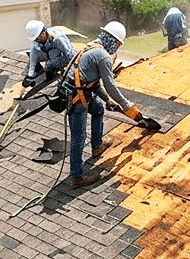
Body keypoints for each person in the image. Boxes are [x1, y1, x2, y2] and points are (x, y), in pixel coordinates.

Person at [60, 21, 148, 187]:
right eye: (119, 44)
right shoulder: (104, 57)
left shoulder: (92, 47)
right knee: (79, 137)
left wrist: (107, 100)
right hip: (75, 97)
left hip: (81, 90)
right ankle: (76, 177)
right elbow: (110, 86)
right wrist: (126, 105)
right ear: (114, 41)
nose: (118, 48)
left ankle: (97, 146)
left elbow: (91, 82)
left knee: (98, 108)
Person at [23, 20, 74, 87]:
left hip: (61, 54)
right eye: (35, 39)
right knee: (33, 57)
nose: (36, 41)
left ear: (43, 34)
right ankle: (41, 71)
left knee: (52, 63)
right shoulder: (36, 39)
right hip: (46, 52)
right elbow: (33, 56)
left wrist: (69, 75)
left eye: (37, 39)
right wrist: (30, 75)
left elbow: (71, 56)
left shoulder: (58, 38)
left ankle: (57, 75)